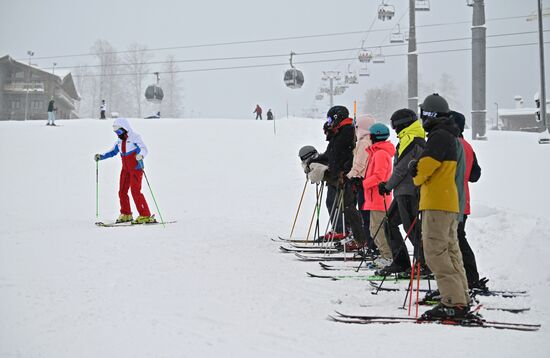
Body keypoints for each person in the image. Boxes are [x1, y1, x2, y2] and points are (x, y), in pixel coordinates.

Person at [412, 93, 470, 320]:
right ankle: (460, 296)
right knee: (451, 251)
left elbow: (423, 170)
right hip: (448, 202)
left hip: (436, 202)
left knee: (436, 253)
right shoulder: (450, 136)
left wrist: (414, 168)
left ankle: (453, 301)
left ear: (429, 115)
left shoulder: (438, 137)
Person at [376, 109, 426, 275]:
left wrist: (388, 186)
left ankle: (424, 264)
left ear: (402, 124)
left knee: (411, 228)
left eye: (395, 125)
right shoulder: (408, 138)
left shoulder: (413, 140)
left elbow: (402, 168)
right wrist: (390, 185)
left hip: (409, 192)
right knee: (389, 223)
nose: (394, 129)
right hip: (401, 191)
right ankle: (401, 262)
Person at [310, 106, 367, 248]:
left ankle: (349, 232)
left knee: (346, 206)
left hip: (345, 175)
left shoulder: (348, 131)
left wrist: (346, 170)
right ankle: (340, 230)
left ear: (337, 117)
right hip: (335, 174)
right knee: (331, 202)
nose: (328, 122)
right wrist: (317, 160)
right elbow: (331, 154)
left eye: (330, 119)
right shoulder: (337, 132)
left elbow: (350, 154)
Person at [94, 118, 155, 224]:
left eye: (119, 131)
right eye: (116, 132)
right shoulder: (119, 141)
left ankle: (145, 215)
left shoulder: (135, 137)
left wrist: (141, 155)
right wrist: (101, 157)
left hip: (136, 169)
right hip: (125, 170)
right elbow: (112, 152)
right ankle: (126, 213)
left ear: (125, 129)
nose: (118, 134)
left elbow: (144, 149)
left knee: (135, 191)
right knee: (122, 191)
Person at [450, 110, 486, 291]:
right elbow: (475, 175)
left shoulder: (454, 145)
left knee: (456, 240)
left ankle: (470, 278)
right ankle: (468, 278)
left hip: (452, 200)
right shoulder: (467, 145)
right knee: (457, 239)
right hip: (463, 200)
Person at [361, 123, 395, 267]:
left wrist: (364, 183)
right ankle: (385, 255)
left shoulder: (380, 153)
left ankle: (387, 257)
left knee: (377, 229)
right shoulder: (378, 152)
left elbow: (380, 176)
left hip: (379, 198)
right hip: (376, 198)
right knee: (375, 228)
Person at [346, 114, 376, 252]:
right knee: (366, 213)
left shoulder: (364, 142)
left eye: (357, 127)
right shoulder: (370, 140)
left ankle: (369, 243)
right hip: (366, 181)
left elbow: (359, 163)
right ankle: (370, 242)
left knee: (364, 213)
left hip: (362, 181)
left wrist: (350, 176)